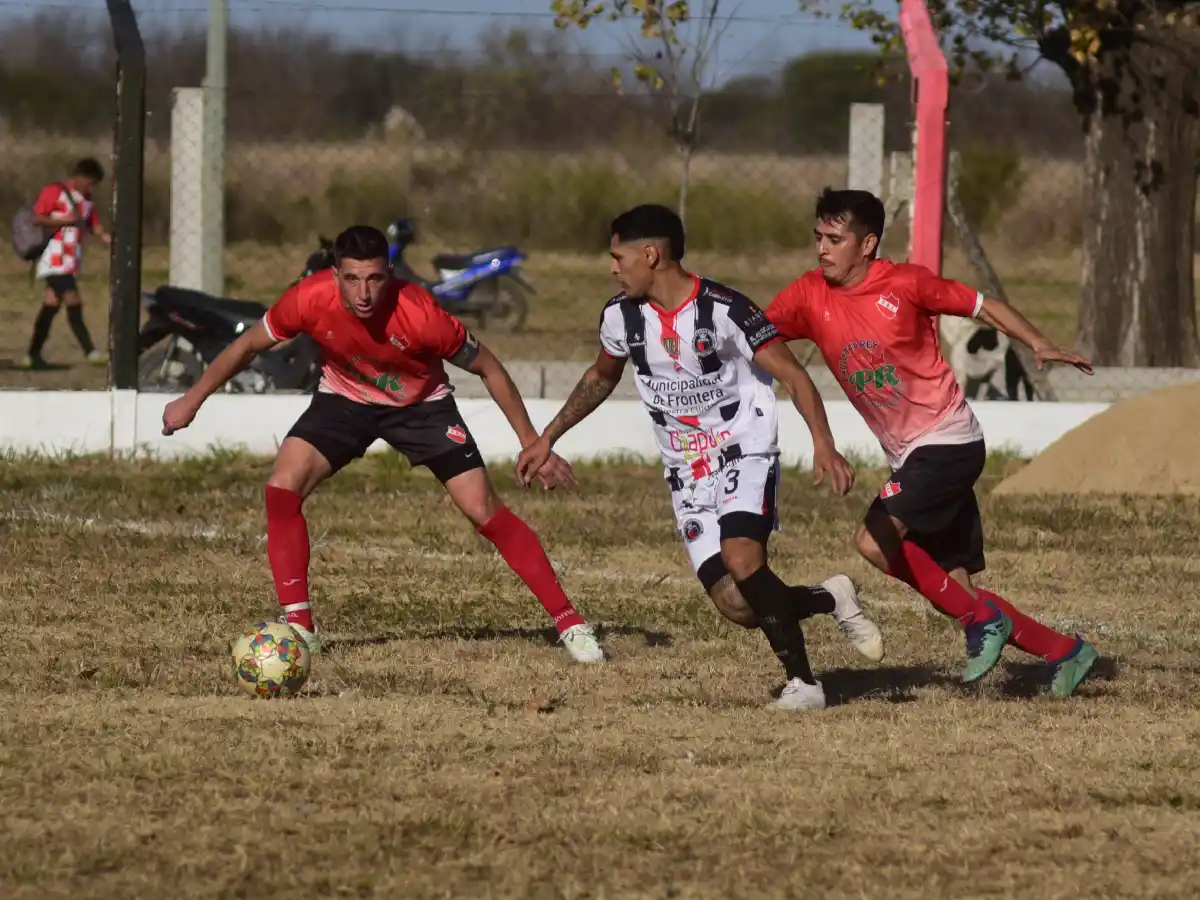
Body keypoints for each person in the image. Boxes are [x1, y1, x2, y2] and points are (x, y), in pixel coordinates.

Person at [161, 224, 604, 664]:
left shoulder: (422, 315)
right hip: (345, 399)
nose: (364, 293)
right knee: (282, 487)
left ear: (389, 274)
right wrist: (192, 399)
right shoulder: (308, 298)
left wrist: (531, 441)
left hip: (421, 406)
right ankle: (300, 629)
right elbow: (248, 345)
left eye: (374, 279)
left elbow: (489, 367)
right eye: (352, 279)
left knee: (483, 511)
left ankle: (570, 624)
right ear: (335, 274)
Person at [516, 204, 884, 711]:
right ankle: (831, 597)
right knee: (736, 602)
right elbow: (602, 376)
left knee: (743, 558)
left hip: (743, 450)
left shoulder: (727, 310)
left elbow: (795, 376)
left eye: (618, 256)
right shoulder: (621, 317)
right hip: (686, 470)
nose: (613, 268)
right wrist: (547, 436)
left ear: (651, 254)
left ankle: (805, 684)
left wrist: (822, 441)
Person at [765, 187, 1098, 697]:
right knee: (957, 587)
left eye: (835, 238)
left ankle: (983, 621)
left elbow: (984, 307)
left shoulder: (906, 284)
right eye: (818, 237)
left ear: (868, 243)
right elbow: (752, 335)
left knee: (873, 541)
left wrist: (1038, 342)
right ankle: (1065, 652)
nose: (822, 248)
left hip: (948, 442)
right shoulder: (809, 295)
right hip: (912, 456)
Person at [21, 157, 112, 370]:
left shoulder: (88, 200)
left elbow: (93, 225)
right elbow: (36, 218)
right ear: (80, 177)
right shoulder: (55, 191)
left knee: (51, 306)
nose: (90, 188)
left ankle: (32, 355)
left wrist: (106, 237)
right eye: (89, 182)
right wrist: (64, 220)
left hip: (71, 260)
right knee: (73, 300)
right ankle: (90, 351)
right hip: (54, 259)